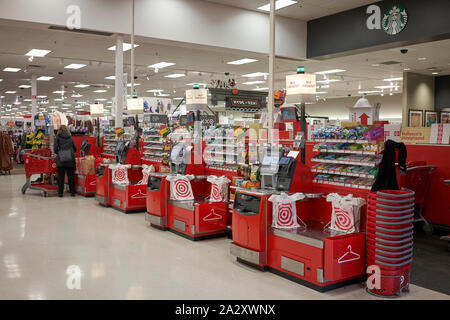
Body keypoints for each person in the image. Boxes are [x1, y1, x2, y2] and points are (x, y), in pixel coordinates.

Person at [54, 125, 77, 197]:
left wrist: (60, 152)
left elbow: (55, 149)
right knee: (71, 177)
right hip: (70, 159)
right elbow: (75, 148)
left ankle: (60, 193)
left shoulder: (57, 137)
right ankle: (72, 192)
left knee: (61, 177)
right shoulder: (70, 137)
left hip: (61, 160)